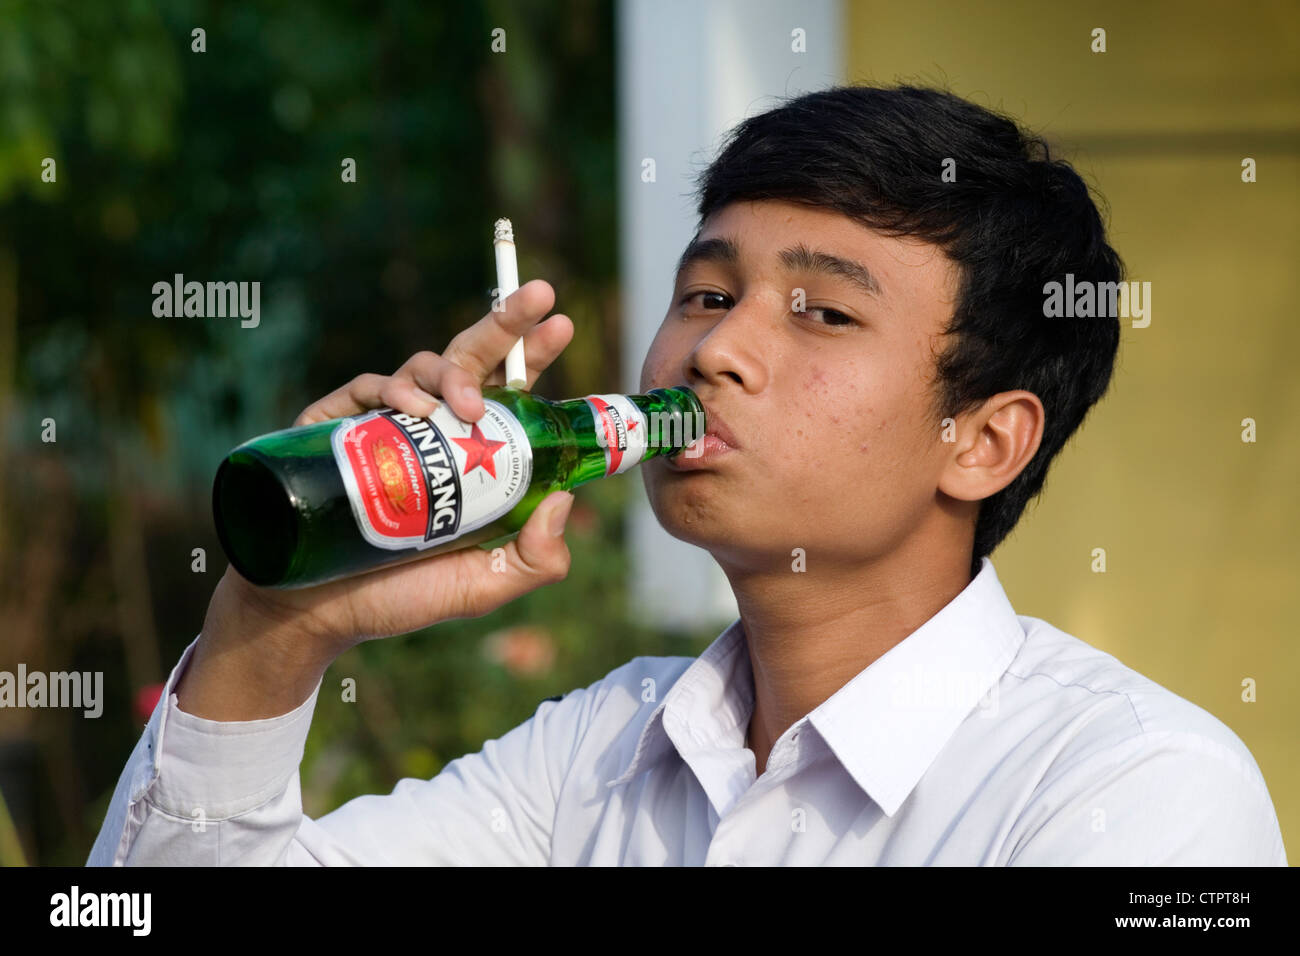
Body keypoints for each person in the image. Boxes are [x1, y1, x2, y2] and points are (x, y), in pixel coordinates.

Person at [88, 85, 1286, 866]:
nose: (716, 348)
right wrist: (276, 626)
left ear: (981, 440)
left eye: (820, 311)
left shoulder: (1130, 790)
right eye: (708, 294)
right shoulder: (595, 753)